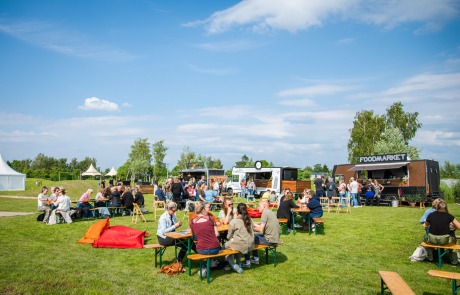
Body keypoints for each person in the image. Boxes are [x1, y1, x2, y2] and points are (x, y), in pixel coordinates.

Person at [424, 200, 460, 266]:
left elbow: (426, 224)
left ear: (436, 207)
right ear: (446, 208)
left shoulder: (431, 215)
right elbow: (459, 227)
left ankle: (430, 259)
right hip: (445, 240)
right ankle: (454, 262)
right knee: (454, 241)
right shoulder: (449, 216)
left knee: (425, 237)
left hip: (432, 240)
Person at [190, 202, 221, 277]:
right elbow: (217, 234)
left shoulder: (192, 221)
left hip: (201, 249)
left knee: (204, 249)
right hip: (215, 248)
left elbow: (193, 234)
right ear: (203, 210)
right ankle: (210, 263)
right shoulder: (210, 218)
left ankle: (204, 267)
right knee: (210, 248)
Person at [246, 200, 280, 266]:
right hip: (275, 237)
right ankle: (255, 257)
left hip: (270, 239)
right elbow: (263, 227)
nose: (258, 208)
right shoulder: (270, 212)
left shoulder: (265, 213)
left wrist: (249, 228)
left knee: (250, 237)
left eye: (259, 206)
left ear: (264, 206)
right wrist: (254, 225)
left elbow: (260, 229)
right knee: (254, 235)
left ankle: (252, 259)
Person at [224, 203, 254, 274]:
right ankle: (239, 263)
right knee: (236, 244)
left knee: (224, 247)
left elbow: (228, 236)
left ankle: (233, 264)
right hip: (250, 244)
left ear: (237, 210)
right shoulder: (250, 219)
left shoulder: (234, 221)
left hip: (241, 244)